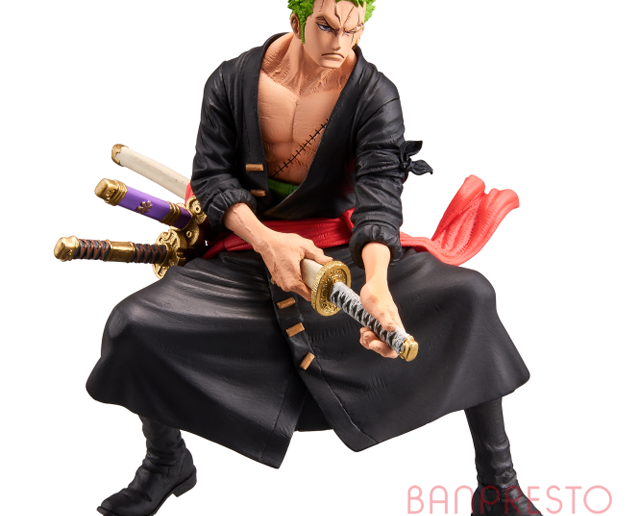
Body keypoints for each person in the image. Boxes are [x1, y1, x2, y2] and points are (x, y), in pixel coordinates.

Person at [87, 1, 542, 515]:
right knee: (134, 324)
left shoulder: (375, 93)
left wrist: (376, 283)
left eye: (354, 30)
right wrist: (267, 241)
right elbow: (211, 179)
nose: (341, 44)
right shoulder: (231, 80)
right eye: (327, 26)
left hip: (345, 252)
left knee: (469, 296)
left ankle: (497, 482)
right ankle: (166, 460)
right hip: (246, 250)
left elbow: (379, 198)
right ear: (297, 21)